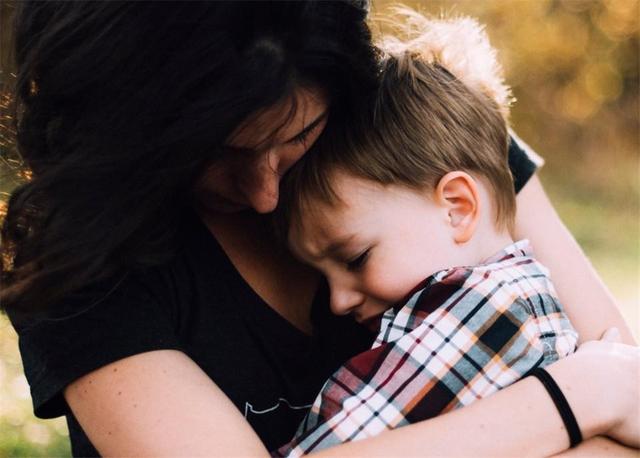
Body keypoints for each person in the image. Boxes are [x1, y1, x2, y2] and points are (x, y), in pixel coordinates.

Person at [1, 2, 637, 457]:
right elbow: (618, 389)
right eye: (212, 154)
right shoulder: (79, 259)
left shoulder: (423, 135)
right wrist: (576, 399)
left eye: (296, 137)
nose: (264, 195)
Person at [274, 16, 581, 455]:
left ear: (457, 208)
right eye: (322, 277)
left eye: (356, 258)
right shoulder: (514, 298)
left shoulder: (489, 312)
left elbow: (337, 443)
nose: (338, 301)